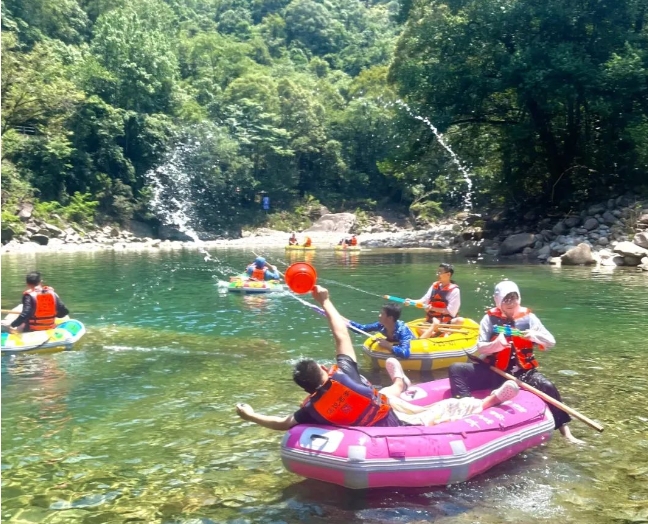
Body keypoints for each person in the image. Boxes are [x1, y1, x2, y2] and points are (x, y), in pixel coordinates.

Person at [235, 285, 519, 430]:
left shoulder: (312, 408)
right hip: (392, 421)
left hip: (381, 404)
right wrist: (325, 301)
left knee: (386, 392)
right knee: (446, 409)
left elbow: (282, 423)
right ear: (324, 369)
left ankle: (400, 379)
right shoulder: (343, 375)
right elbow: (342, 335)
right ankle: (489, 401)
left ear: (307, 389)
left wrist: (250, 415)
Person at [447, 280, 584, 444]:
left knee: (547, 386)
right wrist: (496, 344)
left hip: (523, 374)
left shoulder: (530, 318)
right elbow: (480, 347)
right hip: (495, 372)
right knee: (456, 369)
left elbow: (550, 342)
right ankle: (468, 406)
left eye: (514, 298)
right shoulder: (489, 320)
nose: (511, 303)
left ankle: (566, 432)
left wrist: (534, 335)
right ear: (498, 300)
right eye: (506, 299)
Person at [2, 272, 69, 333]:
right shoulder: (53, 294)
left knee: (3, 325)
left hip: (32, 329)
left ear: (27, 284)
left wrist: (13, 325)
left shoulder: (29, 296)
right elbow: (65, 312)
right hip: (50, 327)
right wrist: (53, 315)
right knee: (21, 306)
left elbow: (25, 314)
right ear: (41, 282)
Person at [348, 303, 415, 358]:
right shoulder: (381, 325)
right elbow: (362, 329)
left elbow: (405, 353)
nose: (379, 316)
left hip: (412, 342)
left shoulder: (403, 330)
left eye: (382, 314)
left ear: (390, 318)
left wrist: (388, 346)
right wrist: (344, 321)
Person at [412, 263, 461, 338]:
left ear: (448, 274)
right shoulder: (434, 286)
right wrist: (411, 301)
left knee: (459, 321)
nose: (437, 274)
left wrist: (433, 308)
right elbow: (423, 300)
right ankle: (439, 334)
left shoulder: (455, 291)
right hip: (432, 321)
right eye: (437, 272)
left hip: (445, 323)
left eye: (440, 272)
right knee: (418, 327)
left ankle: (437, 333)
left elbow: (451, 311)